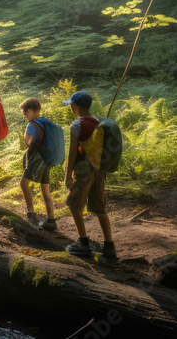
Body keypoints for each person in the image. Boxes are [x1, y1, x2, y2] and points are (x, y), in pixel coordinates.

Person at [63, 91, 115, 259]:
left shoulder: (76, 125)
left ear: (76, 106)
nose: (71, 106)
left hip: (84, 170)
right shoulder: (99, 122)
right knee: (100, 207)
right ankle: (109, 246)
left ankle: (83, 243)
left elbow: (72, 153)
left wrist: (68, 175)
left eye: (72, 104)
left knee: (74, 204)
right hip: (99, 170)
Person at [19, 97, 57, 231]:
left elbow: (28, 141)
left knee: (23, 183)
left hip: (37, 159)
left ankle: (31, 214)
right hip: (47, 158)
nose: (24, 112)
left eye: (27, 110)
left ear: (36, 110)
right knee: (45, 189)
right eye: (23, 110)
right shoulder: (44, 122)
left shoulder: (32, 124)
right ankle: (51, 220)